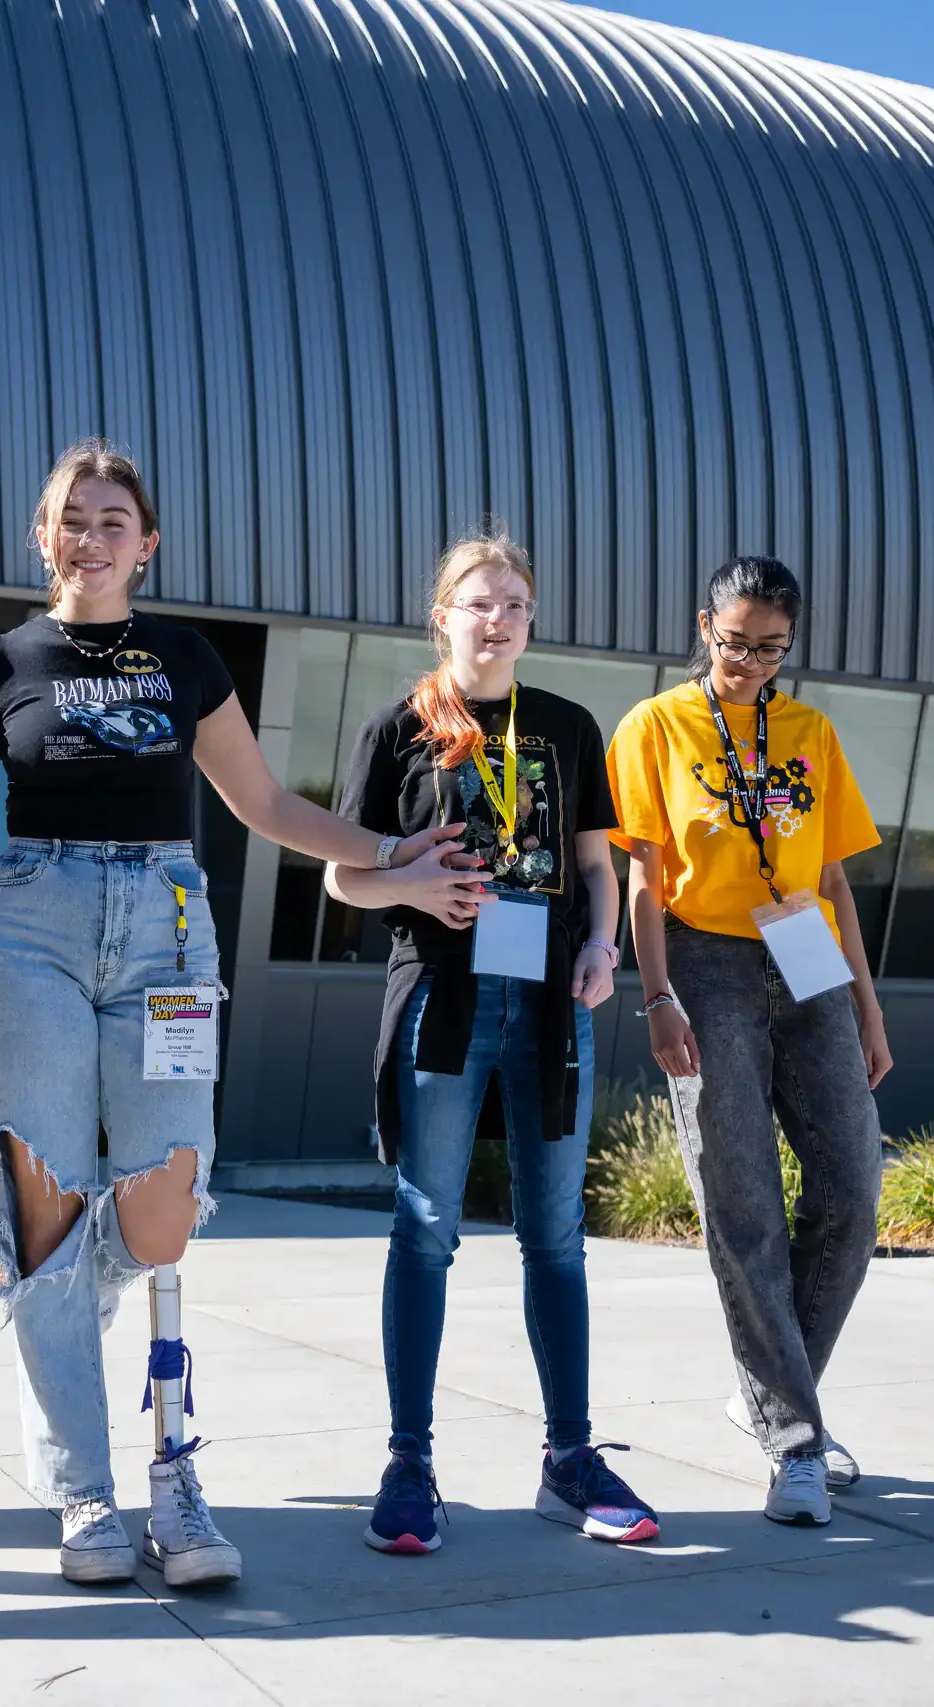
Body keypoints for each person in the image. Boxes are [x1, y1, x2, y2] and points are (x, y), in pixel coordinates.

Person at [0, 439, 482, 1589]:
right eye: (75, 517)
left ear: (147, 543)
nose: (94, 534)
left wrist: (392, 857)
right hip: (34, 924)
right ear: (44, 535)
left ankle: (61, 1301)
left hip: (167, 918)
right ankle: (106, 1486)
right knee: (50, 1200)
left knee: (164, 1204)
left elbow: (262, 804)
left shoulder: (184, 656)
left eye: (116, 519)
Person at [326, 527, 660, 1557]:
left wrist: (606, 948)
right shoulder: (400, 728)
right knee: (425, 1227)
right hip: (443, 1001)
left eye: (516, 602)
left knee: (555, 1238)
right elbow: (343, 876)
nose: (501, 616)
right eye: (482, 601)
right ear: (443, 616)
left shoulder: (565, 725)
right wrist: (413, 883)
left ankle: (569, 1460)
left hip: (553, 1001)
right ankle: (410, 1464)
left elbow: (598, 868)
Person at [608, 556, 889, 1528]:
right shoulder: (654, 726)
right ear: (704, 627)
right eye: (735, 645)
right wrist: (655, 997)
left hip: (809, 959)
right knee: (745, 1207)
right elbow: (645, 875)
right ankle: (795, 1442)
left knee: (855, 1189)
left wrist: (867, 1006)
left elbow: (840, 880)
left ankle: (775, 1399)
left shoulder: (810, 731)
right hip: (706, 962)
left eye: (771, 649)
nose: (750, 665)